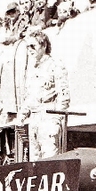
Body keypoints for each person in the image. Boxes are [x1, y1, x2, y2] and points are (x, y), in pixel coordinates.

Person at [19, 31, 70, 160]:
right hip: (34, 117)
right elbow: (30, 95)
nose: (30, 50)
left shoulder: (55, 65)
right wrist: (23, 114)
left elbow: (63, 95)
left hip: (49, 116)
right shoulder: (32, 69)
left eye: (33, 46)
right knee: (34, 161)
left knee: (50, 160)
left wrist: (56, 121)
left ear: (44, 46)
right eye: (27, 47)